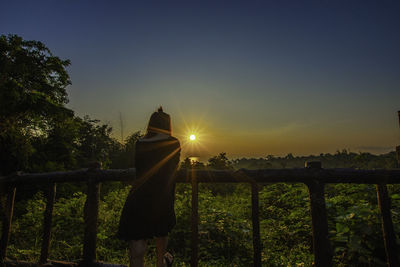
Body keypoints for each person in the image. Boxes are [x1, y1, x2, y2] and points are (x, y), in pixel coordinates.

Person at [118, 107, 181, 267]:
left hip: (138, 198)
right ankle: (162, 262)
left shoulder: (140, 143)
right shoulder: (173, 143)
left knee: (137, 249)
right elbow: (173, 170)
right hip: (162, 199)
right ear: (168, 125)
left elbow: (140, 169)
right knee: (161, 238)